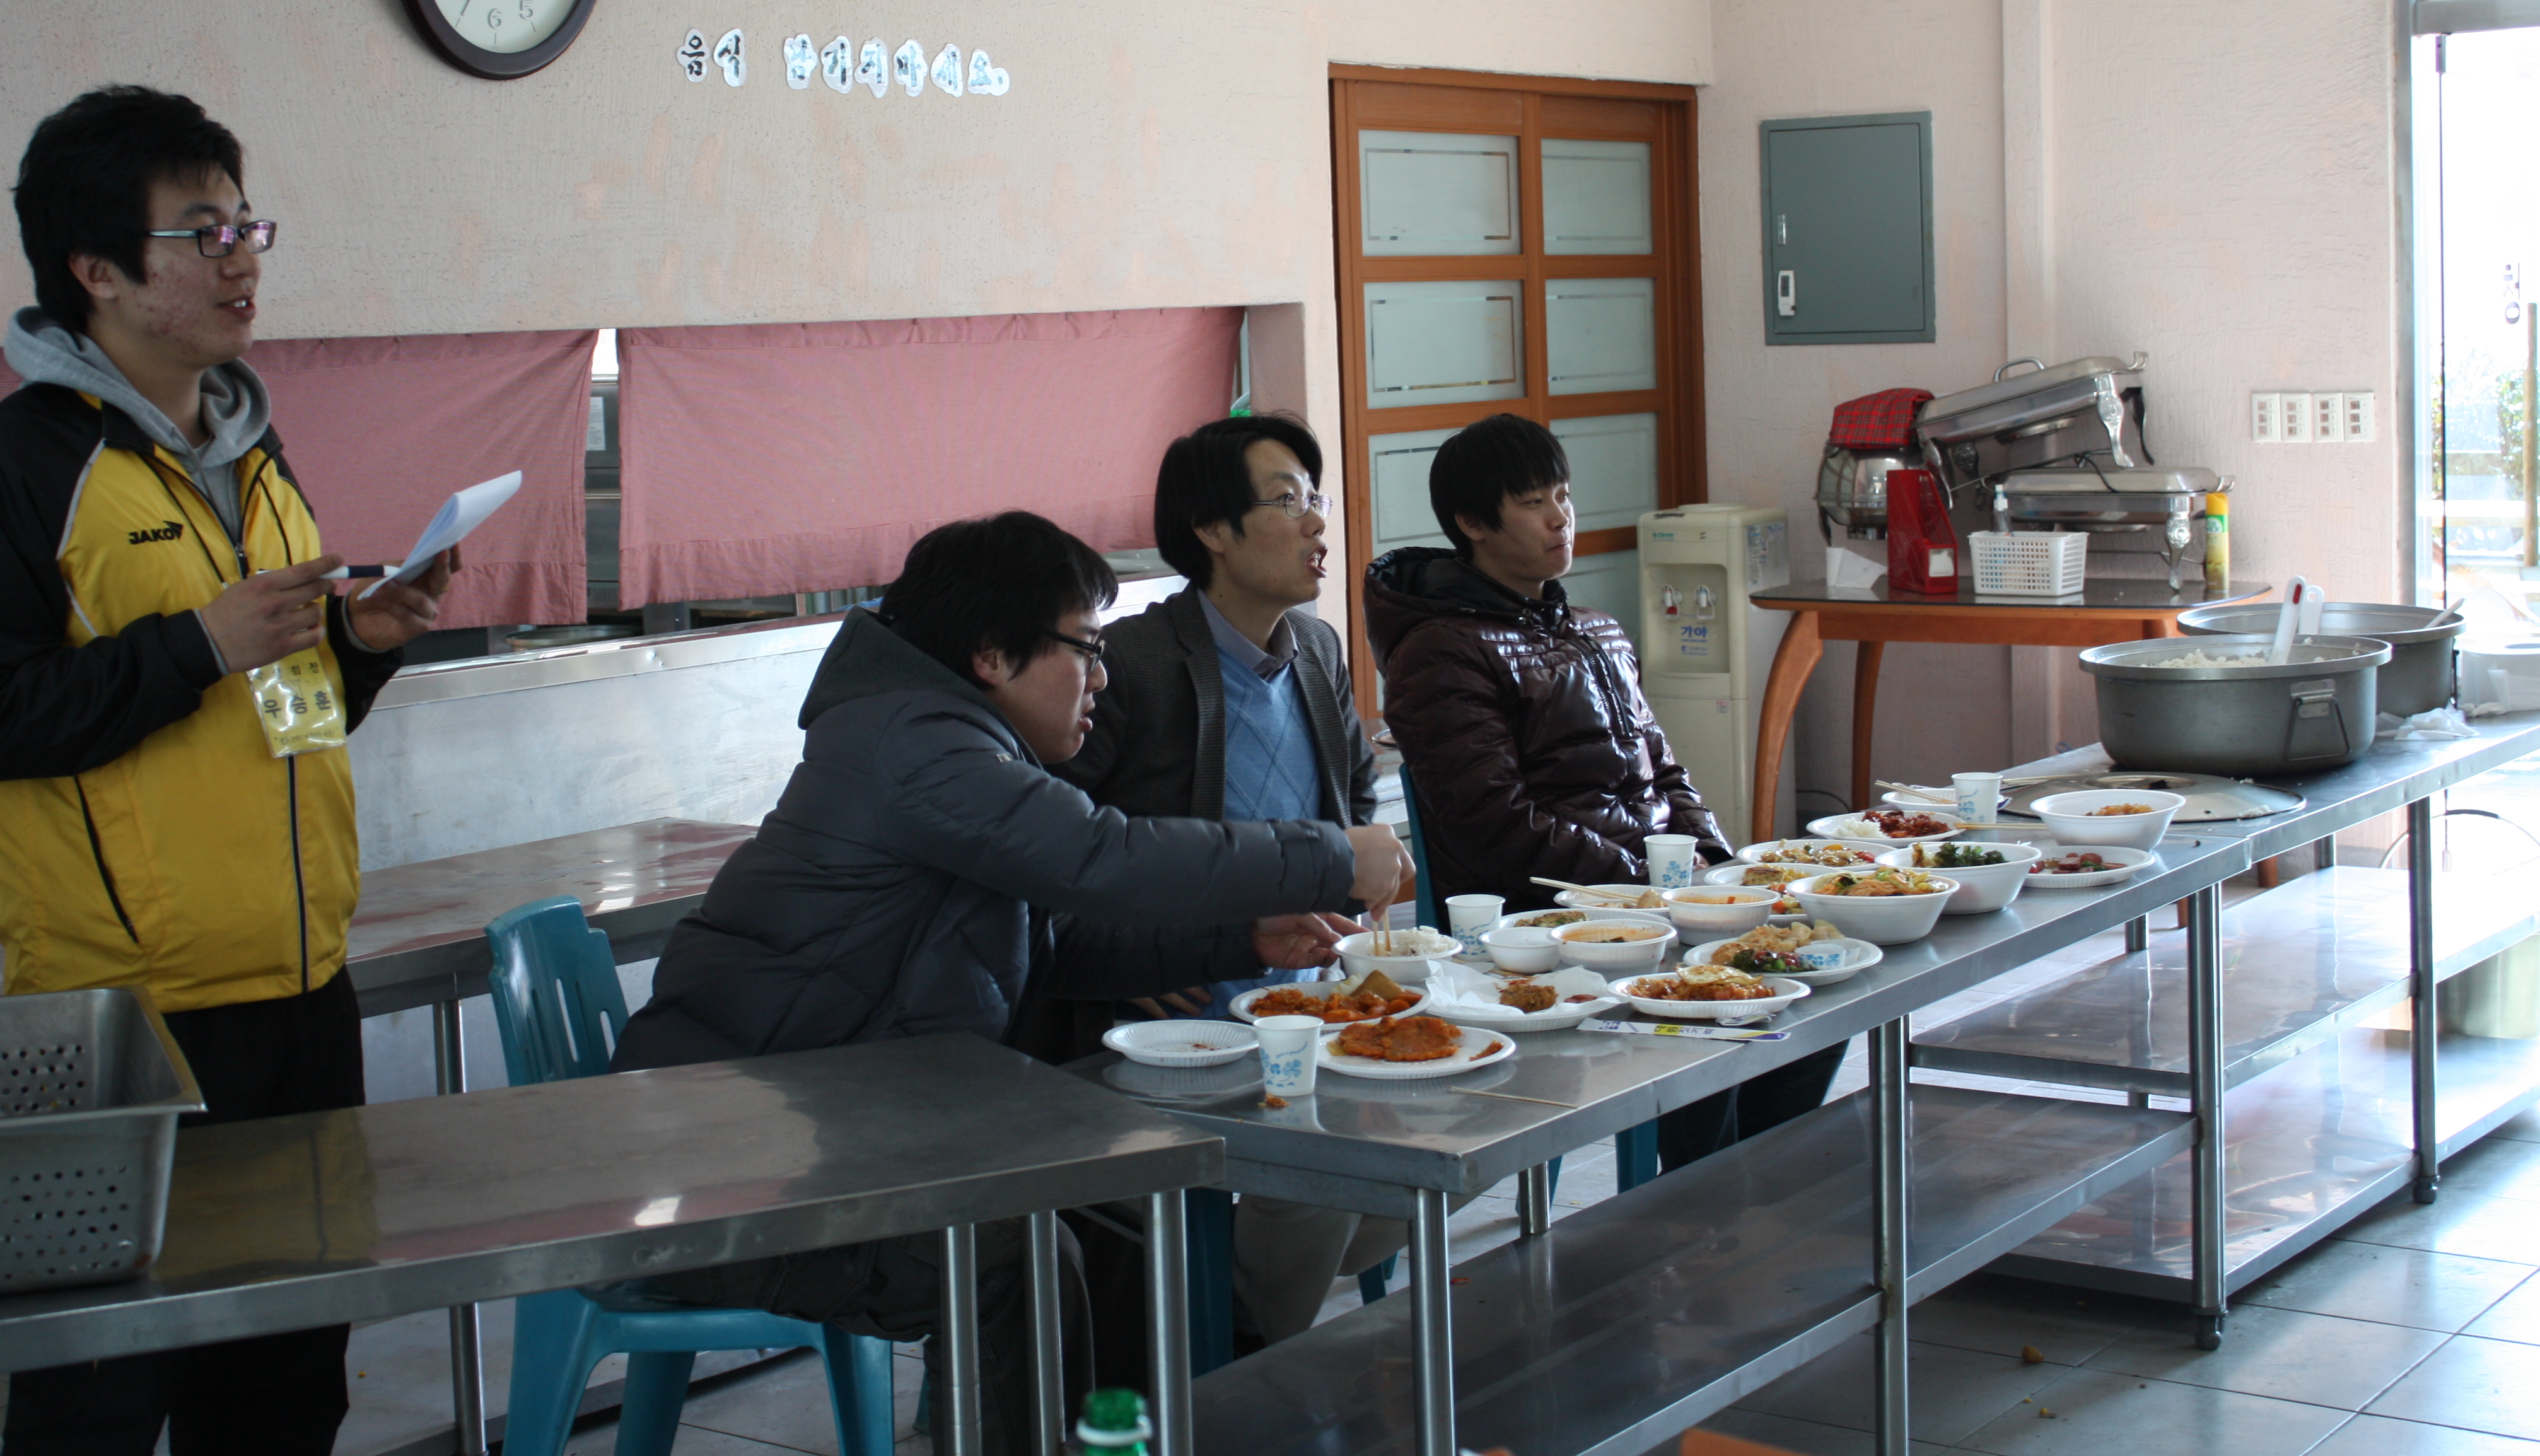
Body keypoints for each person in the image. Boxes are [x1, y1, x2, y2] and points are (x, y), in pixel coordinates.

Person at [0, 85, 456, 1456]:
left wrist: (359, 646)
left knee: (284, 1382)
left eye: (246, 224)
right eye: (200, 232)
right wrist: (197, 641)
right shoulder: (2, 473)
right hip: (127, 1019)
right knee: (100, 1391)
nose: (240, 258)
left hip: (303, 985)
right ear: (95, 269)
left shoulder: (253, 454)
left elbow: (275, 715)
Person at [610, 510, 1411, 1445]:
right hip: (723, 1170)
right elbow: (1102, 856)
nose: (1101, 679)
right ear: (992, 655)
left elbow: (1058, 942)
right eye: (1087, 650)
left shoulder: (950, 740)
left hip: (817, 1135)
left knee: (1114, 1215)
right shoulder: (914, 742)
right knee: (1010, 1253)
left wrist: (1240, 941)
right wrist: (1328, 854)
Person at [1361, 412, 1838, 1170]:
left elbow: (1666, 773)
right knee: (1714, 1004)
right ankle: (1705, 1193)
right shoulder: (1441, 651)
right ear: (1472, 524)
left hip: (1648, 899)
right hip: (1543, 920)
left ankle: (1748, 1177)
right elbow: (1497, 824)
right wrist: (1649, 884)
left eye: (1564, 495)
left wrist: (1719, 869)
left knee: (1819, 971)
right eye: (1533, 503)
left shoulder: (1598, 630)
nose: (1561, 518)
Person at [1052, 414, 1401, 1346]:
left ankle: (1219, 1331)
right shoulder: (1130, 665)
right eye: (1286, 501)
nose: (1317, 523)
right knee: (1322, 1180)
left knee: (1424, 1148)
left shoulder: (1317, 649)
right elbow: (1055, 847)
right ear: (1212, 529)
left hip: (1306, 1008)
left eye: (1315, 500)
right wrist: (1134, 956)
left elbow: (1356, 796)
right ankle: (1229, 1360)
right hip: (1181, 1027)